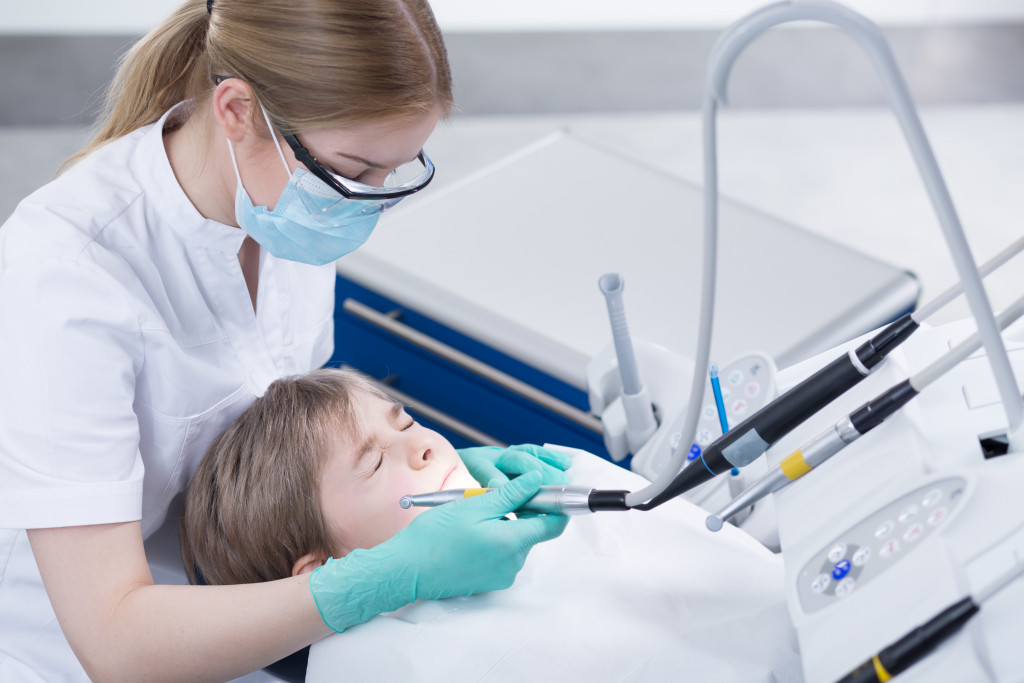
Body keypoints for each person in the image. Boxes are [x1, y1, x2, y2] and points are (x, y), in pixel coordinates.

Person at [0, 1, 570, 680]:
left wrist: (426, 478)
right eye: (355, 170)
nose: (369, 200)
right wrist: (387, 574)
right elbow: (116, 642)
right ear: (238, 111)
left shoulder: (286, 210)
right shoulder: (67, 279)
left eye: (394, 170)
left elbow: (286, 453)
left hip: (244, 608)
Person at [182, 368, 803, 683]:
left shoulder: (558, 488)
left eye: (404, 425)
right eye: (374, 462)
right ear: (323, 572)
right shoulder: (391, 666)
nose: (423, 447)